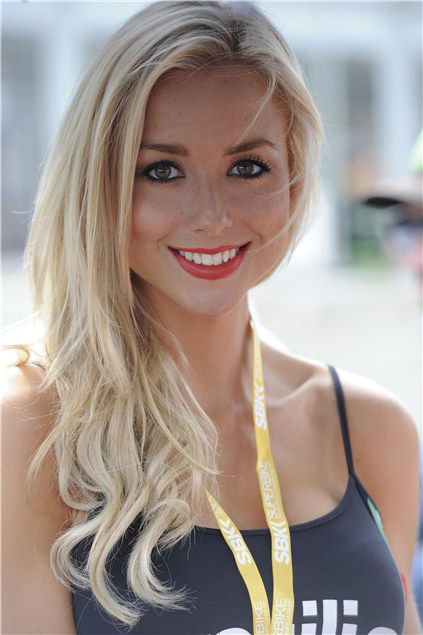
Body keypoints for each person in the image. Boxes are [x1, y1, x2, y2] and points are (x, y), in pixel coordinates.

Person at [2, 1, 422, 634]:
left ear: (295, 177)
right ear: (100, 183)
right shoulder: (28, 431)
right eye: (161, 171)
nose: (212, 216)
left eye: (247, 167)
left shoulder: (371, 430)